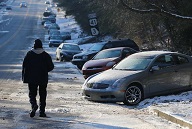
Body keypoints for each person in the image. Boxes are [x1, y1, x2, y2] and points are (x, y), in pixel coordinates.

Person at [22, 39, 54, 118]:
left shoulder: (29, 54)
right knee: (42, 95)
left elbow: (24, 66)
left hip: (32, 78)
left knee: (32, 94)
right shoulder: (45, 55)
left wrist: (25, 77)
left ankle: (34, 105)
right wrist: (45, 70)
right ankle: (42, 112)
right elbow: (51, 66)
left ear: (34, 46)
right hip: (43, 78)